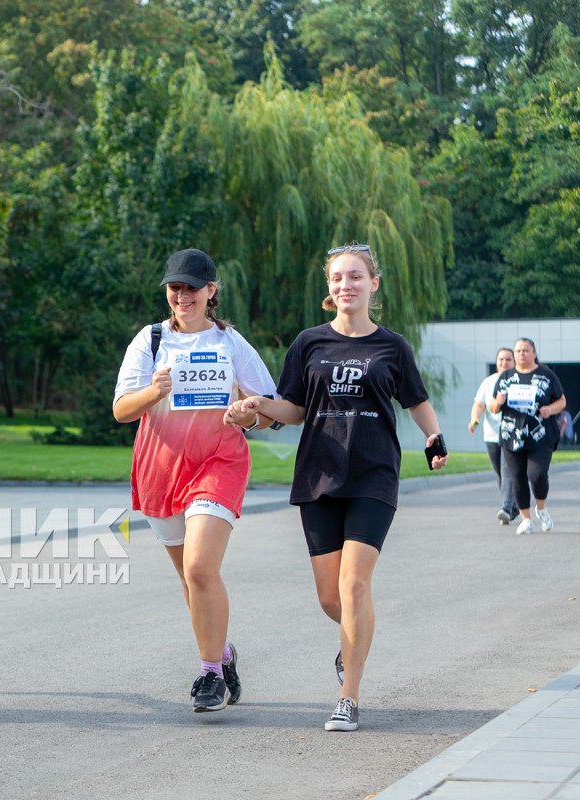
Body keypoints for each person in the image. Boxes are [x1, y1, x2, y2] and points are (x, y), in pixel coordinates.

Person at [226, 243, 448, 733]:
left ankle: (348, 694)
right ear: (329, 289)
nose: (345, 285)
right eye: (336, 279)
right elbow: (292, 409)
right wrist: (255, 408)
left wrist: (433, 437)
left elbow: (416, 401)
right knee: (331, 598)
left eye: (354, 277)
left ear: (373, 284)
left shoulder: (392, 346)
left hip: (373, 475)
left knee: (354, 585)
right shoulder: (309, 343)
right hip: (319, 475)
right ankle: (355, 635)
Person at [113, 248, 278, 713]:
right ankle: (222, 654)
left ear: (211, 291)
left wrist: (248, 415)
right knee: (190, 582)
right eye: (175, 287)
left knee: (201, 568)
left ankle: (209, 677)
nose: (182, 296)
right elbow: (122, 410)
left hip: (218, 462)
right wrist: (154, 390)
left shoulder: (231, 343)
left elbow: (267, 410)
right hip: (160, 468)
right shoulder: (149, 340)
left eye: (192, 288)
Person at [489, 338, 568, 535]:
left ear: (534, 353)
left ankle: (541, 508)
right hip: (511, 435)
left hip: (540, 436)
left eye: (525, 350)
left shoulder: (546, 375)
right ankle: (525, 519)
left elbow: (562, 401)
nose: (521, 354)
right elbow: (492, 407)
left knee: (537, 475)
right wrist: (498, 403)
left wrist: (550, 409)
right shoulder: (506, 377)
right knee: (517, 478)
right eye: (518, 351)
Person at [469, 347, 517, 525]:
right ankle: (514, 507)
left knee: (506, 471)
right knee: (500, 472)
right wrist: (474, 419)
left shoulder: (518, 381)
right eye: (501, 360)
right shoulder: (488, 382)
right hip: (491, 435)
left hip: (512, 435)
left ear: (514, 362)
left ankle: (505, 507)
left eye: (508, 360)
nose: (504, 363)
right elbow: (479, 404)